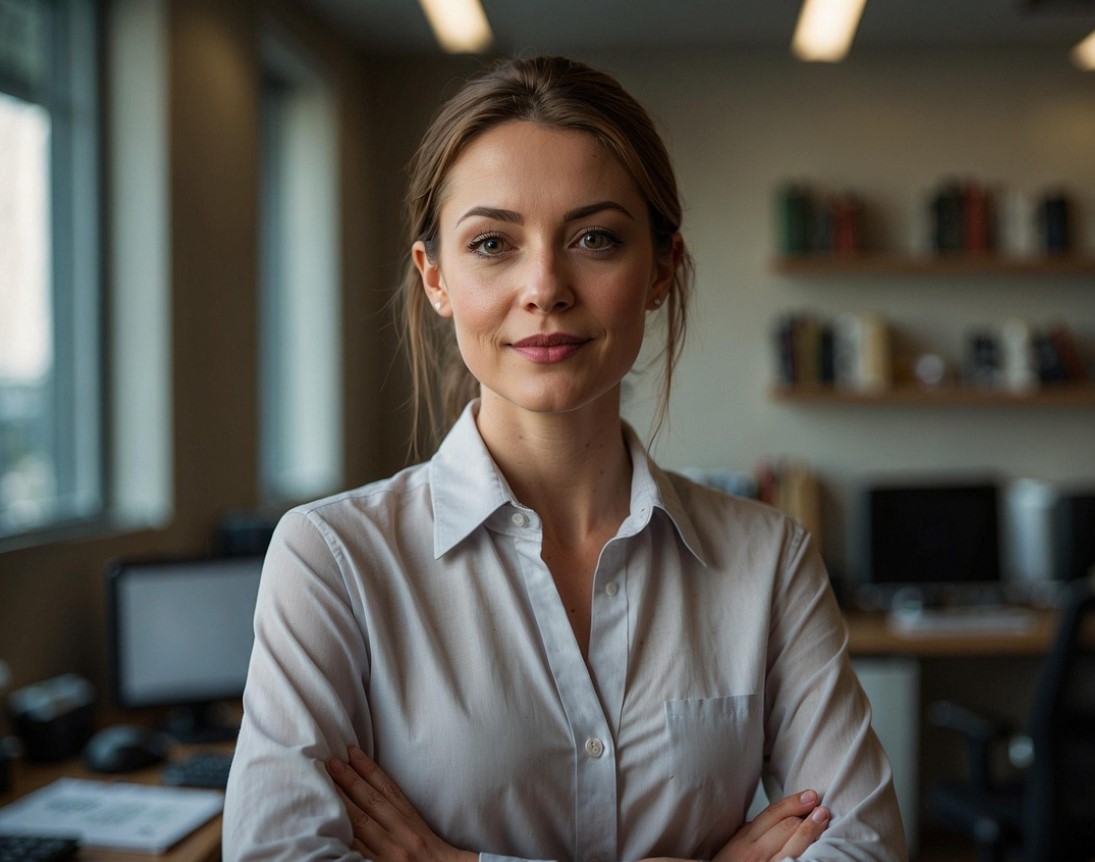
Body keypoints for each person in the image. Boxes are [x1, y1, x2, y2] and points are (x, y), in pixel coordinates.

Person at [223, 55, 905, 862]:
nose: (544, 287)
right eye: (491, 243)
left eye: (594, 238)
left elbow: (861, 849)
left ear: (658, 269)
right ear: (435, 277)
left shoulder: (769, 557)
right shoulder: (330, 559)